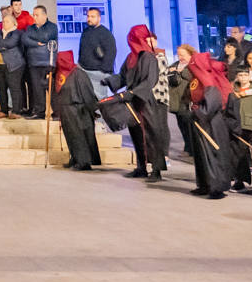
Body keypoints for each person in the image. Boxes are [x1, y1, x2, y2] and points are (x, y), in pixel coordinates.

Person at [104, 25, 168, 181]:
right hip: (133, 101)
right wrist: (110, 81)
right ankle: (141, 167)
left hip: (145, 101)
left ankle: (156, 170)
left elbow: (150, 80)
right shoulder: (131, 57)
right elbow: (123, 77)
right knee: (137, 135)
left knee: (151, 136)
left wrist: (133, 92)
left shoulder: (148, 57)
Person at [185, 52, 237, 199]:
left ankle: (217, 187)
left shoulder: (208, 79)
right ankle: (204, 184)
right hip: (200, 120)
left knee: (213, 155)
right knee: (201, 154)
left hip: (211, 122)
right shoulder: (197, 78)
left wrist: (199, 114)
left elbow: (213, 102)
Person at [53, 50, 101, 170]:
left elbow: (87, 92)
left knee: (79, 135)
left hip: (78, 108)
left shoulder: (78, 73)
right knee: (70, 135)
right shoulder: (60, 74)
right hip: (66, 108)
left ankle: (83, 161)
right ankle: (75, 158)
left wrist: (92, 108)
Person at [21, 6, 59, 119]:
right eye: (34, 14)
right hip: (33, 63)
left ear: (45, 15)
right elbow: (25, 39)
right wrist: (37, 44)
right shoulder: (30, 28)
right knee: (37, 89)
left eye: (37, 15)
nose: (34, 17)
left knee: (51, 90)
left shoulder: (52, 27)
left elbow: (45, 37)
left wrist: (34, 41)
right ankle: (39, 112)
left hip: (48, 63)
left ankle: (57, 113)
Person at [0, 14, 25, 119]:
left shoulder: (17, 33)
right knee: (1, 88)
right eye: (3, 21)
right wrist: (3, 46)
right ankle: (3, 110)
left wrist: (0, 44)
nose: (4, 23)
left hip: (13, 65)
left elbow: (10, 43)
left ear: (14, 23)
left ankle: (16, 111)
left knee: (14, 88)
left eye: (7, 21)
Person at [77, 7, 116, 98]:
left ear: (99, 18)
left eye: (92, 16)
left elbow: (111, 53)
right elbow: (82, 50)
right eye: (88, 16)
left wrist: (103, 70)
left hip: (98, 73)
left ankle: (101, 113)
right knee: (85, 98)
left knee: (99, 99)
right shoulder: (86, 32)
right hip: (84, 70)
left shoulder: (105, 34)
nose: (89, 19)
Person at [166, 44, 197, 158]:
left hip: (187, 100)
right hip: (176, 101)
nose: (180, 57)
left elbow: (193, 77)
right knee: (182, 125)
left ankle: (192, 148)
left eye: (183, 55)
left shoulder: (193, 65)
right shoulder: (174, 65)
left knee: (189, 125)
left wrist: (180, 71)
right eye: (179, 55)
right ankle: (187, 147)